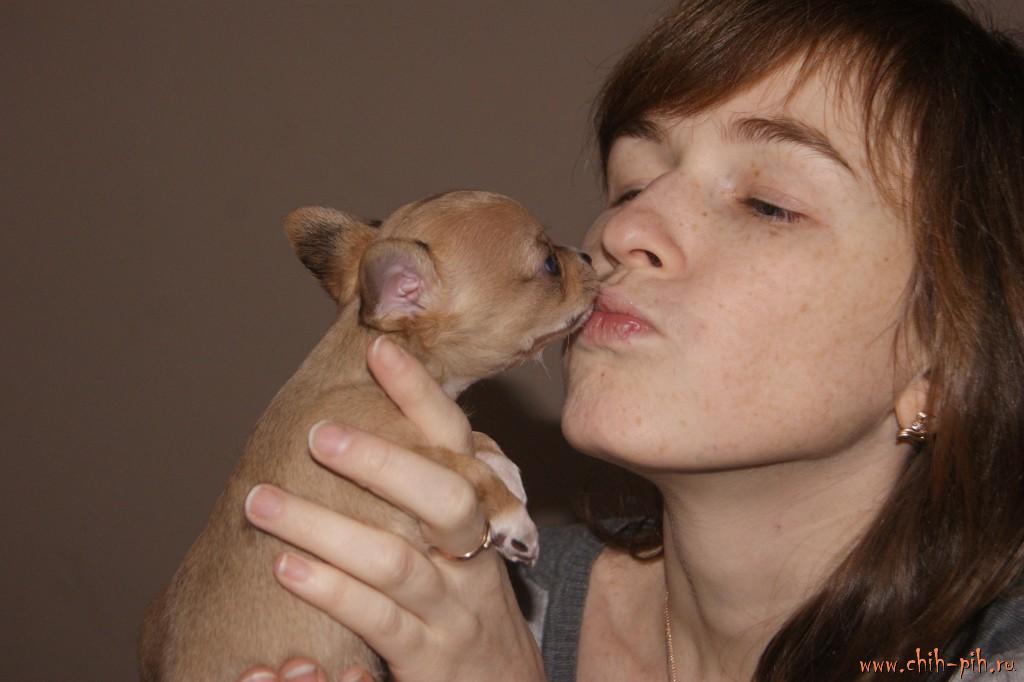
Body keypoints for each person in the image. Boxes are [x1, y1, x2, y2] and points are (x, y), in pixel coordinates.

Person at [235, 0, 1024, 680]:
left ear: (944, 355)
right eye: (631, 185)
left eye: (768, 203)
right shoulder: (442, 604)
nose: (621, 229)